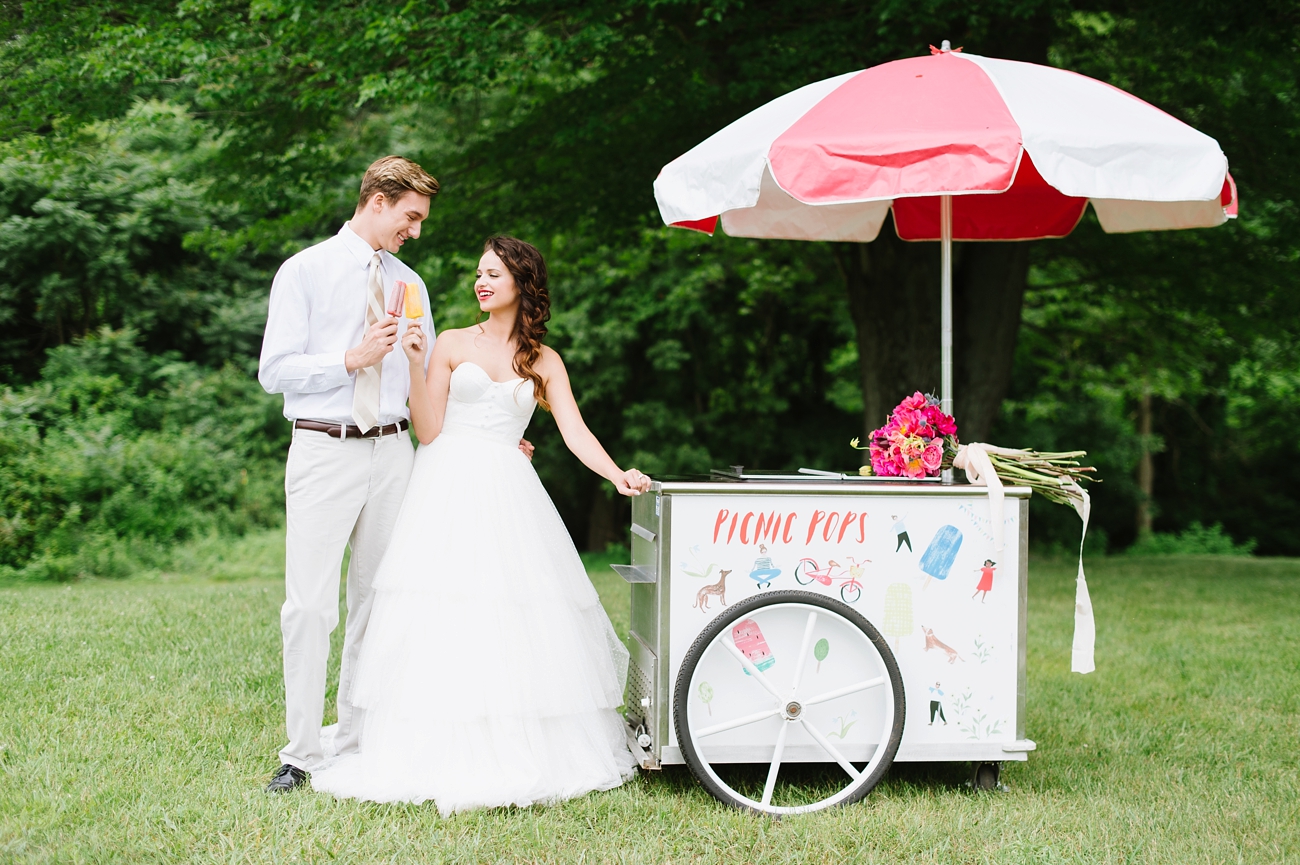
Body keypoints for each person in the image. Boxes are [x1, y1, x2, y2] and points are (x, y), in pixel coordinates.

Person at [310, 236, 648, 813]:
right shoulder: (450, 342)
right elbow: (429, 430)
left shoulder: (543, 360)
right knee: (441, 607)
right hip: (445, 486)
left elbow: (574, 431)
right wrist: (416, 364)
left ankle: (516, 740)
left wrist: (617, 475)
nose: (481, 282)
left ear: (522, 282)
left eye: (493, 274)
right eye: (478, 274)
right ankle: (432, 741)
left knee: (513, 610)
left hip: (510, 493)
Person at [257, 156, 533, 793]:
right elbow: (274, 371)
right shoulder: (303, 272)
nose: (416, 231)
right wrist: (350, 359)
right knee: (309, 606)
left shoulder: (411, 283)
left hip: (396, 453)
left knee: (378, 604)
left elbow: (431, 384)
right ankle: (299, 753)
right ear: (377, 201)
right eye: (411, 217)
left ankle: (356, 741)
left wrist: (495, 442)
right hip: (325, 449)